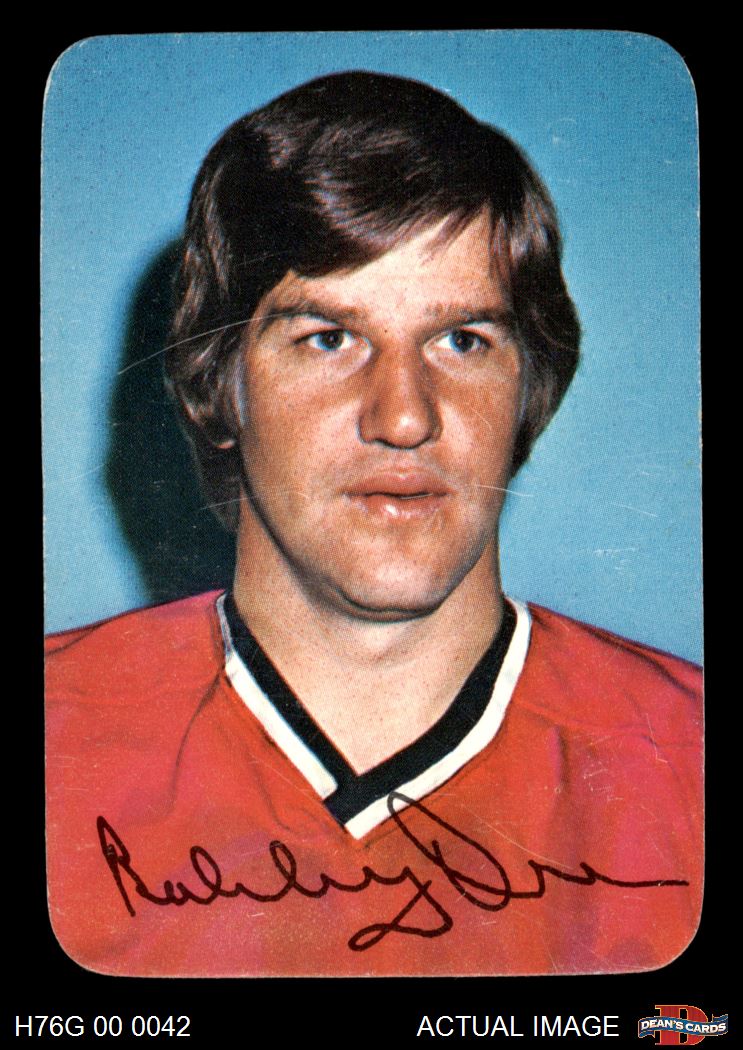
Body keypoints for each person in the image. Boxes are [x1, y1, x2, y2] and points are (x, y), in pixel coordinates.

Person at [45, 71, 702, 977]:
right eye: (328, 338)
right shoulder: (58, 735)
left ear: (528, 390)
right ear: (218, 384)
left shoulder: (686, 758)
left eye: (461, 340)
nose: (403, 416)